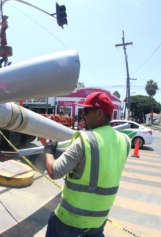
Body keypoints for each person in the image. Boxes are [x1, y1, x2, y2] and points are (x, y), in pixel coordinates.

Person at [44, 92, 130, 237]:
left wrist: (48, 151)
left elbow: (54, 171)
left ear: (99, 114)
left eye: (85, 111)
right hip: (97, 224)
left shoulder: (85, 141)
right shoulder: (125, 141)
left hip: (69, 222)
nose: (82, 115)